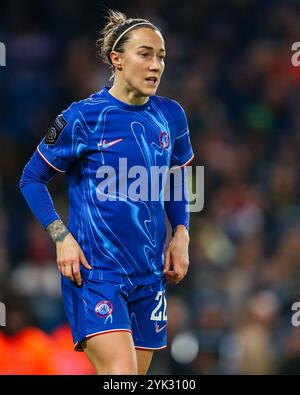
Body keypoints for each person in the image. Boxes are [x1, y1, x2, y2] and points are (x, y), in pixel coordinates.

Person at [20, 9, 194, 375]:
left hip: (149, 277)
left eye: (161, 56)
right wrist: (60, 236)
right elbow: (31, 179)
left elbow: (180, 177)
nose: (156, 65)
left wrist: (181, 233)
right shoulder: (83, 117)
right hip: (96, 275)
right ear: (116, 58)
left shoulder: (171, 116)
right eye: (145, 54)